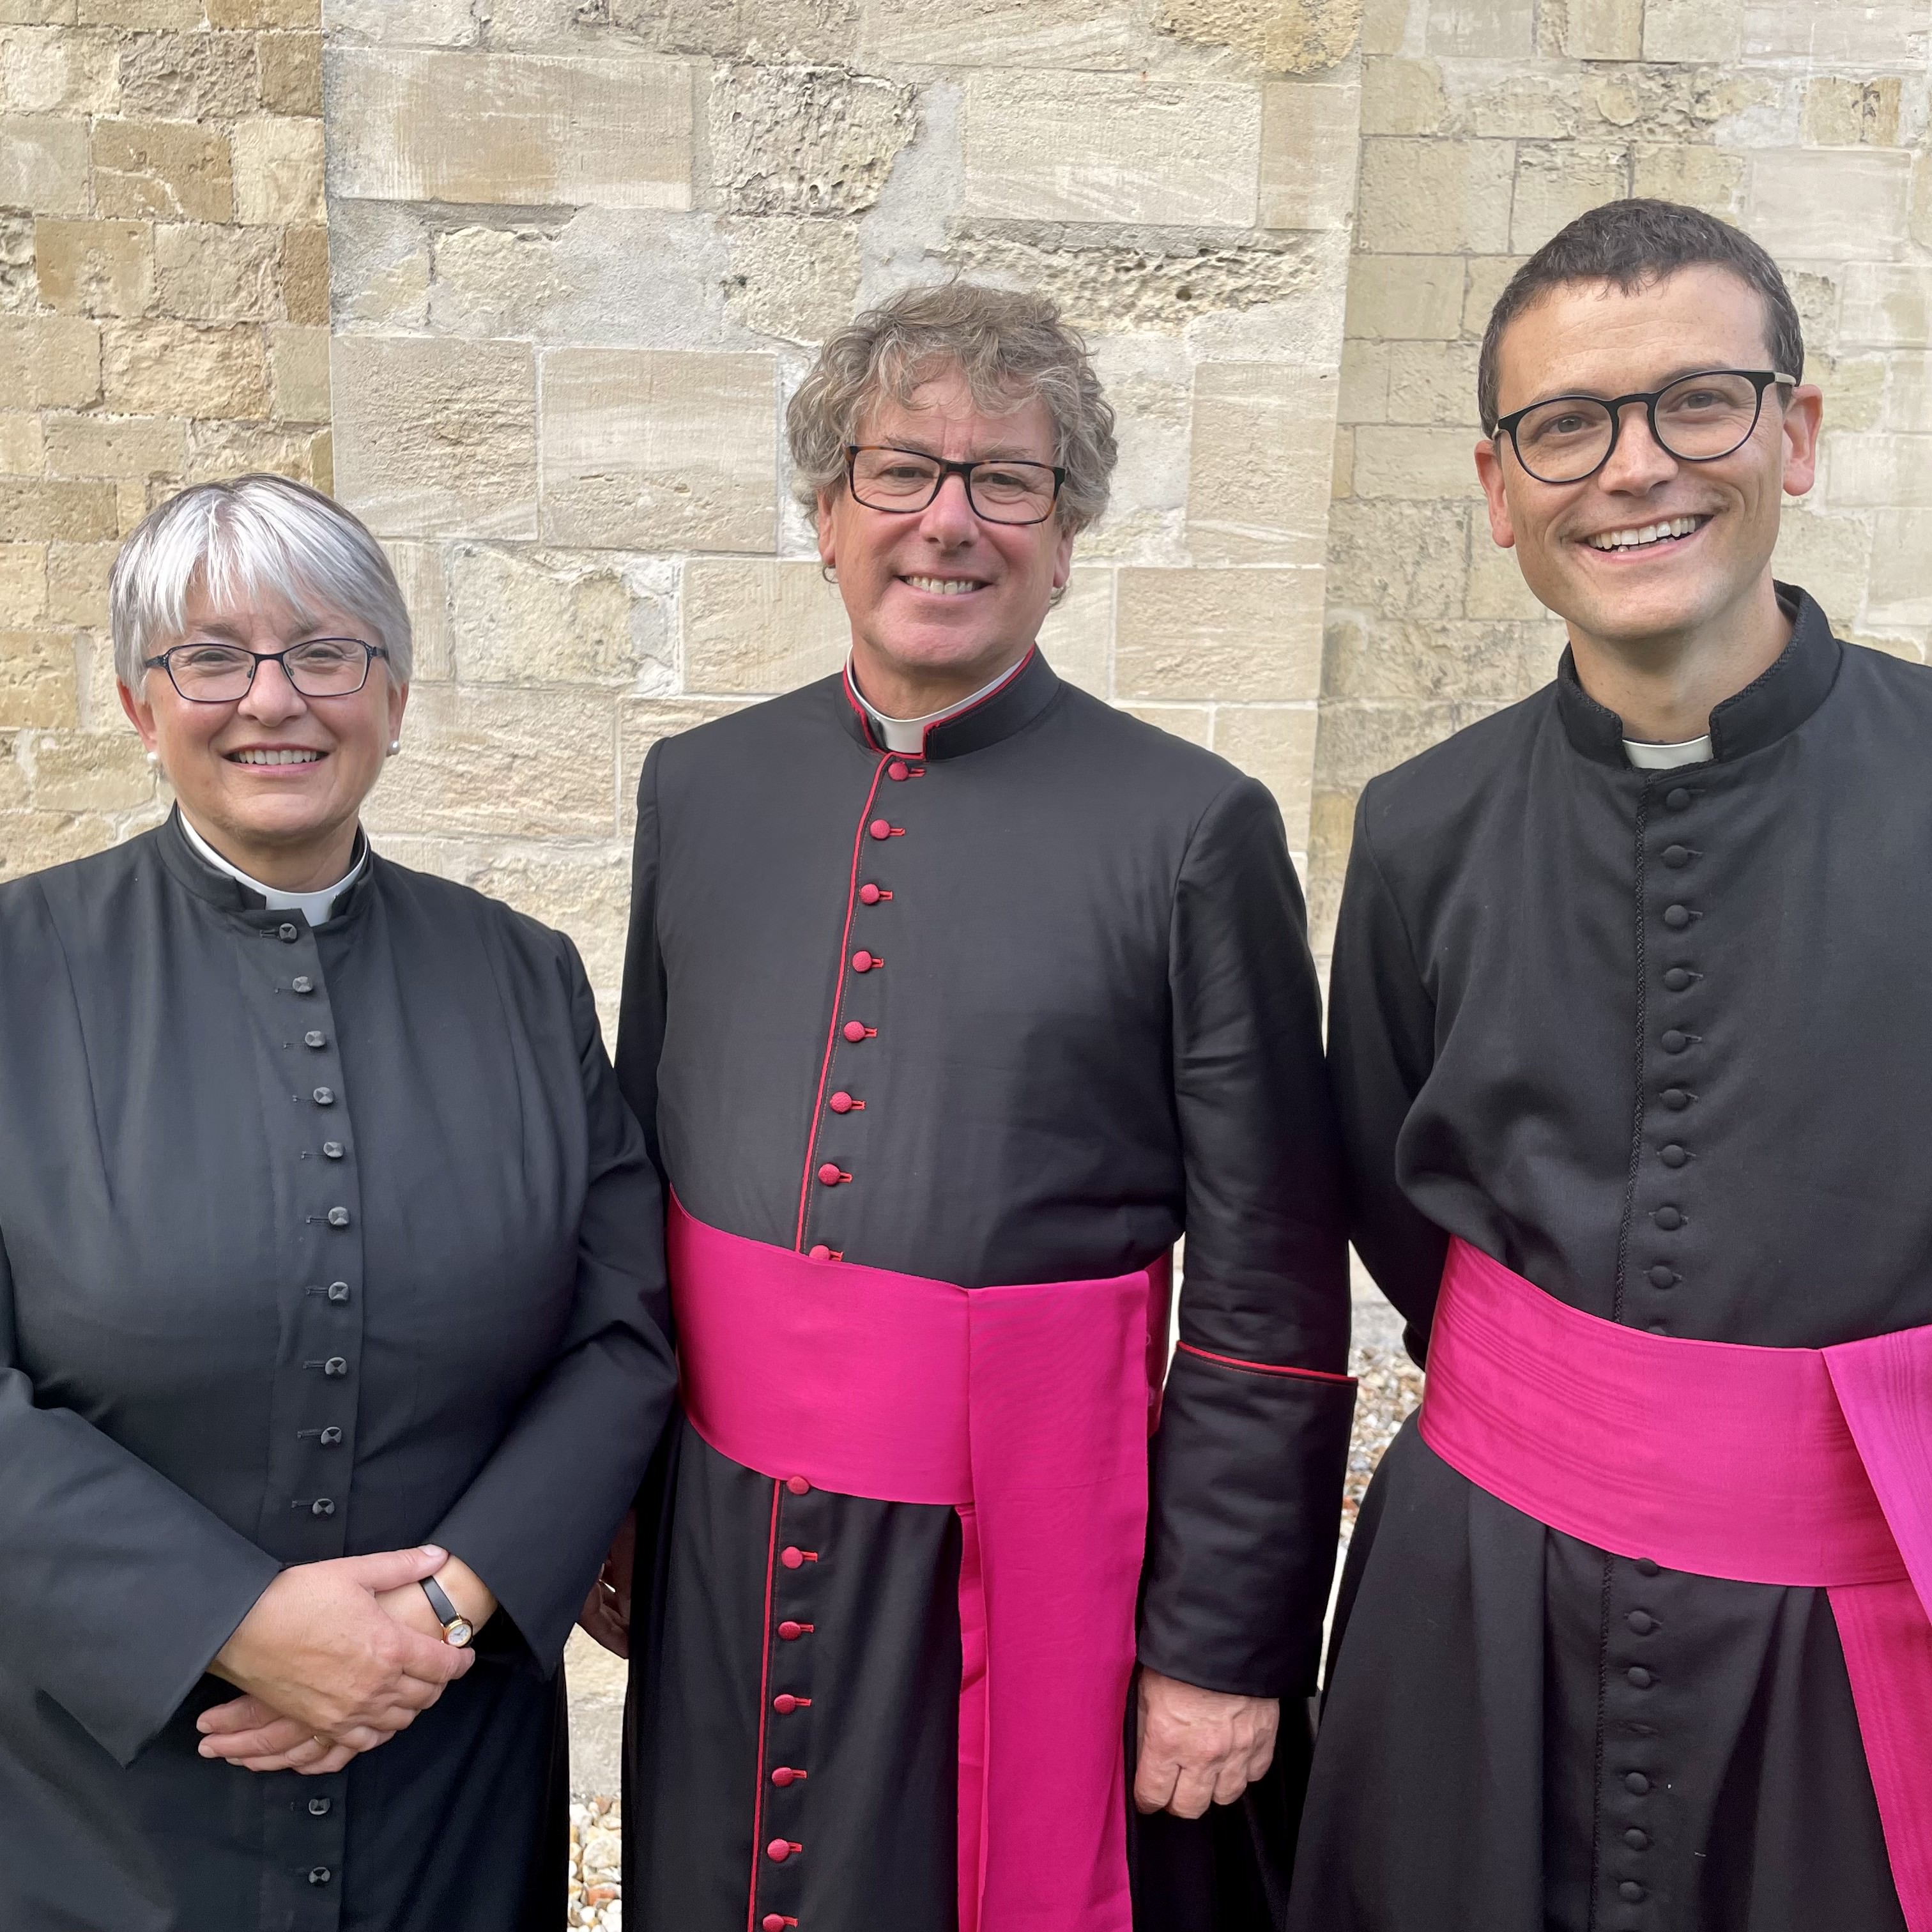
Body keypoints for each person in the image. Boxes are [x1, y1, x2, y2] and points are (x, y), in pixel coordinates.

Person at [592, 280, 1355, 1931]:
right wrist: (616, 1505)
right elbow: (631, 1190)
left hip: (1021, 1550)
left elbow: (1269, 1295)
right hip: (724, 1533)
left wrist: (1221, 1649)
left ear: (1067, 538)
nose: (949, 522)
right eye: (898, 474)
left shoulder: (1191, 829)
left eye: (1007, 483)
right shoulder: (701, 789)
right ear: (823, 517)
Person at [1292, 198, 1932, 1932]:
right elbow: (1382, 1185)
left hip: (1853, 1619)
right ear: (1501, 495)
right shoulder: (1422, 829)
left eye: (1699, 404)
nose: (1637, 468)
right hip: (1482, 1594)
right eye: (1569, 425)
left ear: (1795, 433)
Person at [0, 473, 678, 1932]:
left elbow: (622, 1329)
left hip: (450, 1766)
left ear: (395, 691)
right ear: (138, 703)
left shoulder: (521, 975)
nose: (273, 700)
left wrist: (441, 1617)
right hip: (101, 1795)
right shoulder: (15, 968)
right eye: (211, 658)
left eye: (325, 652)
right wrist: (232, 1623)